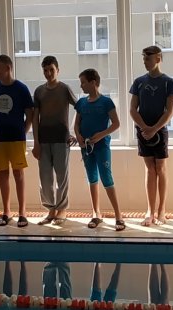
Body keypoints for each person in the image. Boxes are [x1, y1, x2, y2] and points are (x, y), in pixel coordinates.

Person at [130, 45, 173, 227]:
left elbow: (170, 111)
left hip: (160, 130)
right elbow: (133, 109)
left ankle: (161, 210)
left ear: (158, 59)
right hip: (143, 130)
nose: (145, 62)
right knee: (150, 169)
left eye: (148, 58)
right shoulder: (138, 82)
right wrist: (145, 128)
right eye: (143, 59)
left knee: (160, 168)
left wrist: (155, 129)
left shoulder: (168, 82)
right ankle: (150, 210)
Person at [74, 69, 125, 230]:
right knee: (92, 178)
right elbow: (76, 124)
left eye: (83, 82)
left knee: (106, 178)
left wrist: (101, 135)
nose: (81, 86)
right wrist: (78, 136)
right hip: (86, 147)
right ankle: (96, 213)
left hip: (101, 147)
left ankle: (118, 216)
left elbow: (116, 124)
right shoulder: (81, 103)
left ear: (93, 82)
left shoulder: (106, 102)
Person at [0, 54, 34, 228]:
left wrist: (23, 131)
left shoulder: (21, 88)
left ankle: (22, 212)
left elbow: (30, 114)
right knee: (2, 174)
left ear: (8, 68)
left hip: (17, 138)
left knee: (18, 174)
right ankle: (7, 211)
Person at [32, 55, 77, 226]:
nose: (48, 73)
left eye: (51, 70)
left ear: (58, 70)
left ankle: (62, 209)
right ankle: (50, 209)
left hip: (61, 140)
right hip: (43, 140)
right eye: (45, 70)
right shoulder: (39, 91)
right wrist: (36, 143)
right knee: (45, 177)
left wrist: (74, 131)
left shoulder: (64, 89)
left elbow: (80, 108)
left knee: (61, 176)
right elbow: (35, 118)